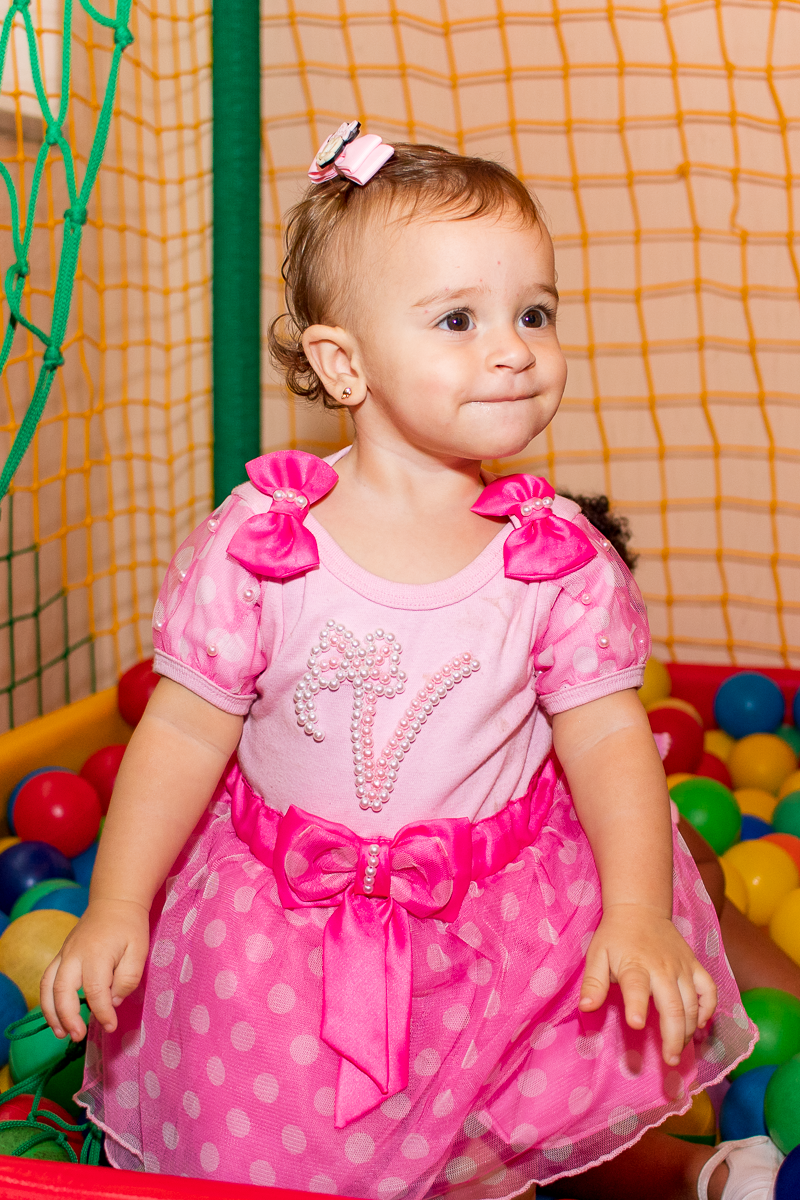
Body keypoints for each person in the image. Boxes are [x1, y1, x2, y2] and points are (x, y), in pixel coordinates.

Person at [40, 131, 775, 1200]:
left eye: (533, 312)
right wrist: (113, 906)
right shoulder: (261, 545)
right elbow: (187, 730)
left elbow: (608, 732)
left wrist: (633, 911)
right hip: (284, 942)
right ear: (345, 364)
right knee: (291, 1153)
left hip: (503, 925)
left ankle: (648, 1174)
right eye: (457, 320)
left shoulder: (552, 556)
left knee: (495, 1138)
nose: (515, 348)